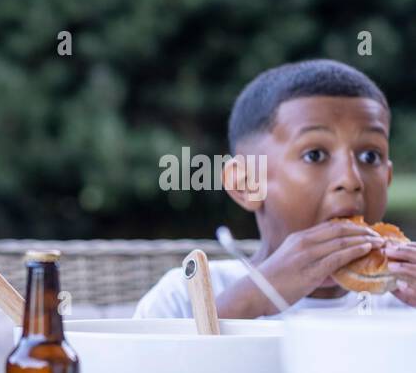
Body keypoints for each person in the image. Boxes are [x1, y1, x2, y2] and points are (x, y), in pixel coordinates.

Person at [135, 59, 416, 318]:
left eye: (370, 156)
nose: (351, 179)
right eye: (315, 155)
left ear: (388, 178)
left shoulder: (402, 306)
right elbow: (149, 371)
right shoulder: (185, 296)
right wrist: (253, 299)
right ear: (246, 183)